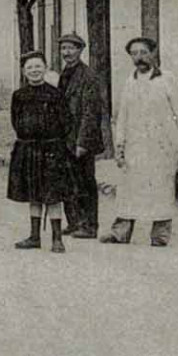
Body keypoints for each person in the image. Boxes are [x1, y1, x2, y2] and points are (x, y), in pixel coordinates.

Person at [106, 37, 178, 247]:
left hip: (163, 145)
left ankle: (160, 235)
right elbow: (122, 116)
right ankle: (120, 233)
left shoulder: (167, 79)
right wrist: (119, 144)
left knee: (161, 188)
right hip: (135, 145)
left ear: (153, 54)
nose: (139, 58)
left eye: (143, 52)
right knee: (129, 187)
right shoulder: (129, 81)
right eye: (134, 53)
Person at [6, 52, 75, 253]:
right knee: (33, 194)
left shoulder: (55, 94)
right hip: (27, 149)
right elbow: (15, 121)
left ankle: (57, 239)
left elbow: (66, 122)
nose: (34, 71)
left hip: (51, 150)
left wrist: (54, 141)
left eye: (38, 67)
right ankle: (34, 236)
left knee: (53, 195)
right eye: (29, 68)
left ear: (45, 69)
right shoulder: (18, 96)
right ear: (24, 72)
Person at [57, 32, 106, 239]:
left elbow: (90, 112)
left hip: (80, 138)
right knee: (67, 180)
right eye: (64, 49)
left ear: (80, 50)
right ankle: (74, 221)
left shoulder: (88, 76)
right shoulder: (65, 73)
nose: (67, 52)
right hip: (64, 137)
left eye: (71, 48)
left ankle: (90, 225)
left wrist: (83, 142)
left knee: (85, 181)